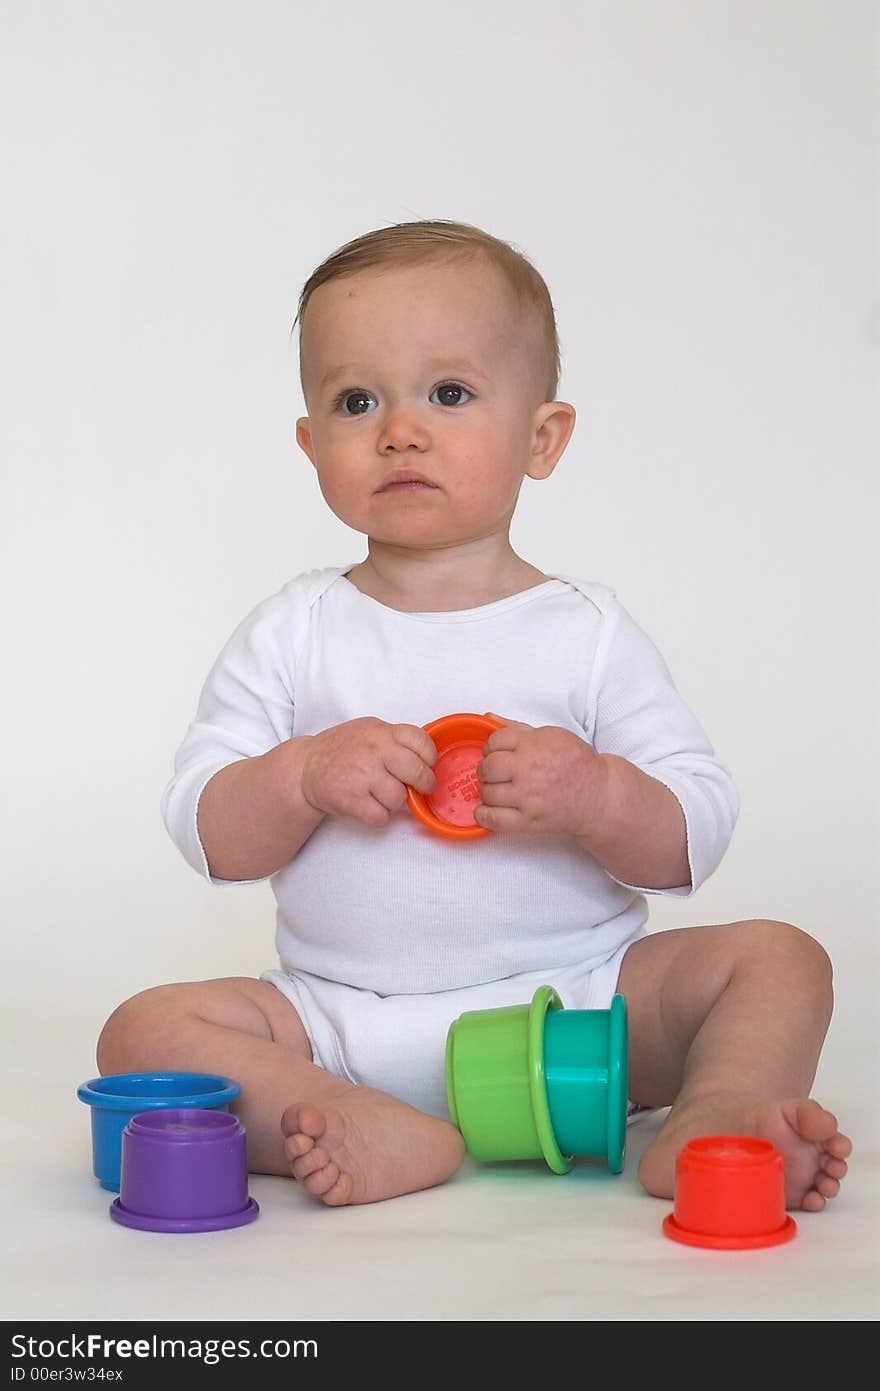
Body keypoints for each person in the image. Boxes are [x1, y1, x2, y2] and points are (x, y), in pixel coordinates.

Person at [96, 219, 851, 1209]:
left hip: (579, 1009)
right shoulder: (294, 630)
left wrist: (595, 792)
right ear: (311, 442)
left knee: (779, 958)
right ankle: (342, 1113)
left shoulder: (584, 632)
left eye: (448, 393)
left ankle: (715, 1117)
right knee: (142, 1028)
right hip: (341, 1021)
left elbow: (692, 836)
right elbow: (205, 829)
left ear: (542, 438)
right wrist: (299, 775)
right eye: (355, 400)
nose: (399, 429)